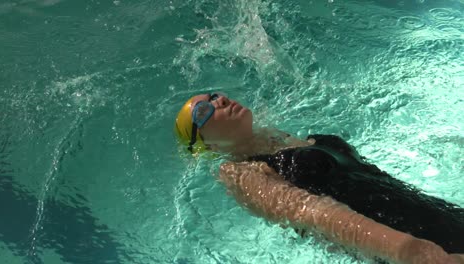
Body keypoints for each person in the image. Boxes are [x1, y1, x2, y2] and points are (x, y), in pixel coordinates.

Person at [174, 92, 464, 264]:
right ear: (205, 145)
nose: (220, 100)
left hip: (433, 214)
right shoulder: (239, 173)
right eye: (204, 110)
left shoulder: (275, 138)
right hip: (414, 244)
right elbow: (317, 217)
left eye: (214, 96)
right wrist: (411, 251)